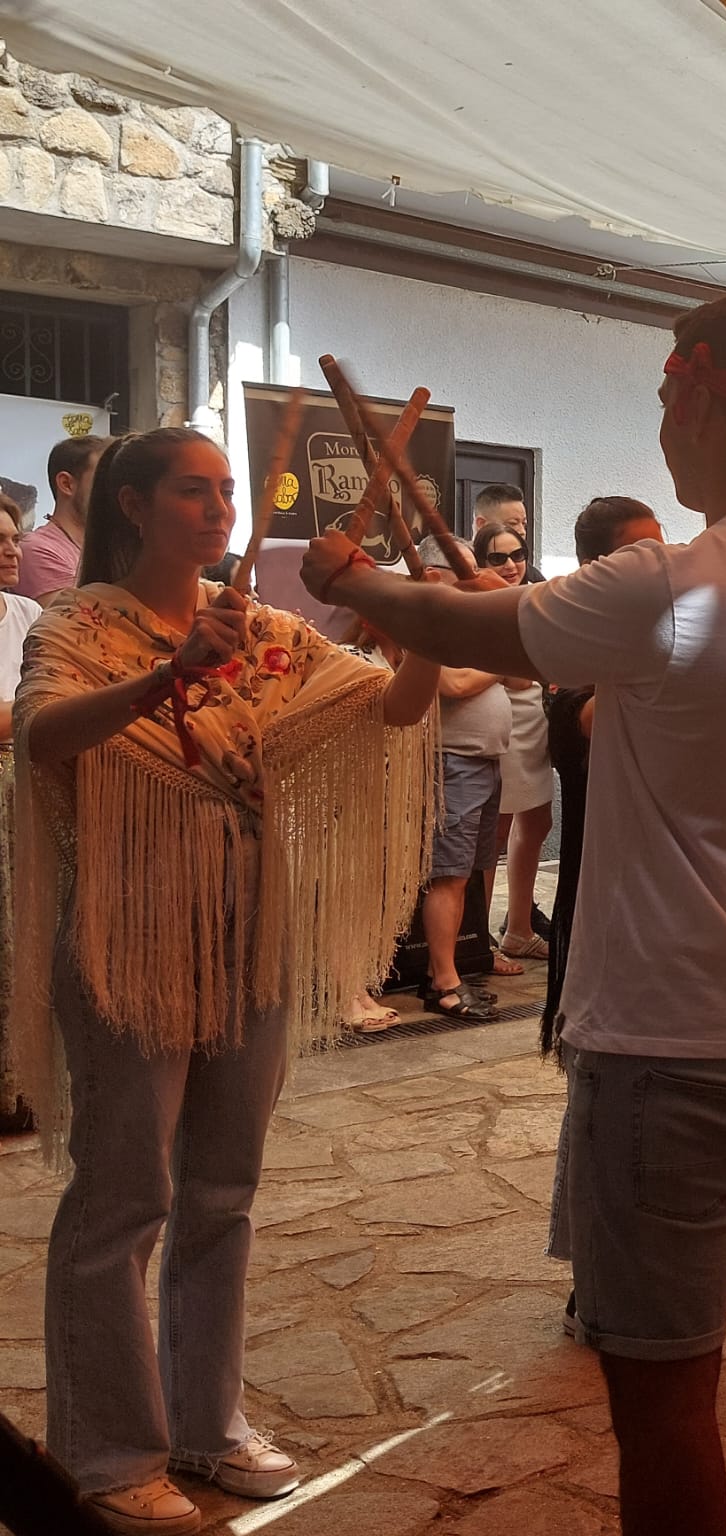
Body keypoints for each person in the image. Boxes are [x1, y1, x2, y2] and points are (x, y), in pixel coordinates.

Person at [306, 292, 726, 1536]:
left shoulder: (664, 584)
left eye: (664, 401)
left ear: (694, 399)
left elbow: (453, 622)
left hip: (670, 1049)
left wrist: (349, 573)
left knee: (664, 1389)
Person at [19, 428, 439, 1535]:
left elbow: (387, 709)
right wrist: (169, 674)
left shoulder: (266, 627)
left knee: (224, 1191)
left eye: (226, 493)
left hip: (247, 932)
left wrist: (426, 628)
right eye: (192, 493)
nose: (217, 511)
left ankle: (206, 1421)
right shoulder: (79, 622)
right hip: (125, 938)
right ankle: (109, 1454)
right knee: (122, 1199)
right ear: (134, 508)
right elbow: (41, 736)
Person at [536, 495, 666, 1333]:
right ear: (596, 573)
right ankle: (597, 1282)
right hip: (601, 915)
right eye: (638, 556)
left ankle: (650, 1273)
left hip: (672, 913)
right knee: (599, 1109)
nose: (660, 570)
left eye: (665, 552)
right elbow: (595, 721)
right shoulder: (579, 676)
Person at [469, 520, 554, 964]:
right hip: (501, 724)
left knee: (538, 823)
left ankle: (519, 927)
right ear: (482, 560)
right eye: (498, 557)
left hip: (533, 720)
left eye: (517, 554)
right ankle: (478, 940)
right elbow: (513, 670)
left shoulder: (533, 596)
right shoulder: (479, 603)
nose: (510, 565)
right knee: (494, 833)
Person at [421, 624, 515, 1020]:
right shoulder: (428, 640)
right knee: (449, 874)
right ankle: (444, 983)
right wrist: (499, 659)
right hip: (454, 762)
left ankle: (442, 971)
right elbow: (455, 684)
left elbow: (524, 679)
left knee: (464, 874)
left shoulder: (474, 641)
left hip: (484, 762)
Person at [0, 495, 40, 1132]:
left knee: (28, 937)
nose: (11, 551)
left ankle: (22, 1081)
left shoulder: (29, 612)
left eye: (14, 539)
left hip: (27, 790)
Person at [16, 433, 109, 602]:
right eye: (103, 479)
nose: (114, 490)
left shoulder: (108, 546)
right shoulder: (38, 549)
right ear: (66, 484)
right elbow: (78, 621)